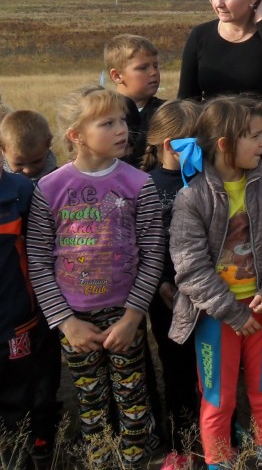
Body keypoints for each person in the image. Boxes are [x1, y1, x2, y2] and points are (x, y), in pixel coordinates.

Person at [26, 86, 164, 468]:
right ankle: (99, 458)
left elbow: (153, 253)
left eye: (122, 120)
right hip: (74, 319)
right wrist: (66, 322)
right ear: (76, 135)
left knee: (133, 396)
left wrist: (133, 318)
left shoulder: (140, 184)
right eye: (107, 123)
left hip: (125, 314)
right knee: (90, 401)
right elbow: (38, 259)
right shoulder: (49, 189)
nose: (122, 129)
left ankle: (138, 457)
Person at [168, 97, 262, 470]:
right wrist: (232, 313)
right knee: (218, 397)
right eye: (254, 136)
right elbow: (190, 268)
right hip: (216, 317)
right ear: (225, 143)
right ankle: (219, 462)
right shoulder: (192, 197)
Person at [139, 100, 203, 470]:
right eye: (195, 141)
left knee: (211, 367)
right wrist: (162, 282)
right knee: (176, 369)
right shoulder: (146, 185)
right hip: (166, 298)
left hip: (208, 293)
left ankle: (221, 431)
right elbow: (146, 242)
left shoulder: (206, 180)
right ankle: (181, 443)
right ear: (169, 145)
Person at [0, 140, 59, 470]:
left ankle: (38, 445)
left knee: (24, 393)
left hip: (19, 320)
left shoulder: (22, 191)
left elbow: (43, 250)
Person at [105, 34, 165, 168]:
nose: (153, 72)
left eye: (156, 66)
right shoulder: (101, 113)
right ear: (117, 76)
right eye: (143, 68)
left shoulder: (166, 112)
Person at [1, 111, 58, 179]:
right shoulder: (2, 180)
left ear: (48, 144)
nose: (28, 170)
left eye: (36, 161)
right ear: (2, 150)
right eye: (19, 164)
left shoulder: (57, 177)